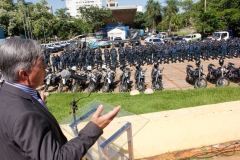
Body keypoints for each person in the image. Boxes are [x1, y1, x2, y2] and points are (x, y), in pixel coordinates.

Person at [0, 38, 121, 160]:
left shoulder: (6, 94)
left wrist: (36, 104)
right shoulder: (26, 115)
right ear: (24, 74)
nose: (46, 66)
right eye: (41, 63)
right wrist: (94, 127)